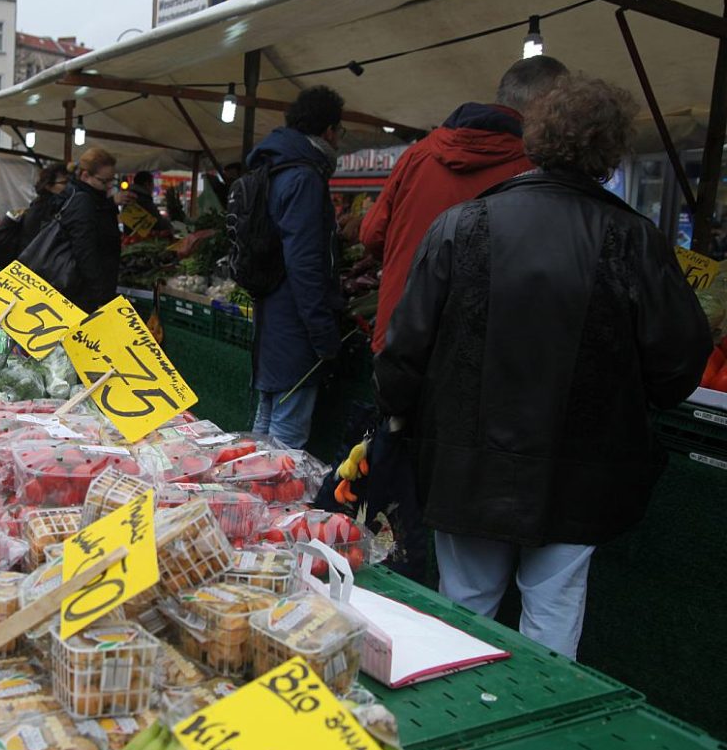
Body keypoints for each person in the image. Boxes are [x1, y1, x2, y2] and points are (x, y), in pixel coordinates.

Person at [372, 76, 712, 659]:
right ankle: (538, 737)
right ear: (610, 153)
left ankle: (457, 733)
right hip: (580, 473)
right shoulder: (635, 239)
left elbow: (403, 352)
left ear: (536, 139)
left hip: (464, 462)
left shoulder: (461, 225)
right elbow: (679, 363)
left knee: (463, 609)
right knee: (552, 620)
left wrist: (401, 415)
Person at [361, 56, 569, 354]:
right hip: (472, 351)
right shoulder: (536, 169)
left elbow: (371, 236)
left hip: (400, 334)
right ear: (544, 104)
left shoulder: (417, 155)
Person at [249, 86, 346, 449]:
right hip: (294, 322)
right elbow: (306, 264)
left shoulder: (274, 167)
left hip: (271, 314)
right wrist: (323, 336)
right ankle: (270, 504)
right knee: (286, 439)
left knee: (266, 421)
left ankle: (245, 500)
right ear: (329, 131)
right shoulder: (304, 177)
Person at [61, 147, 129, 313]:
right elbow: (85, 251)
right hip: (84, 293)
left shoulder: (93, 199)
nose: (109, 186)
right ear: (85, 176)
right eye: (104, 181)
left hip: (91, 287)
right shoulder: (83, 202)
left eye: (112, 181)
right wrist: (100, 295)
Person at [19, 161, 69, 250]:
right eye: (64, 182)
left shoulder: (43, 205)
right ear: (48, 186)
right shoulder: (43, 209)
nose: (68, 186)